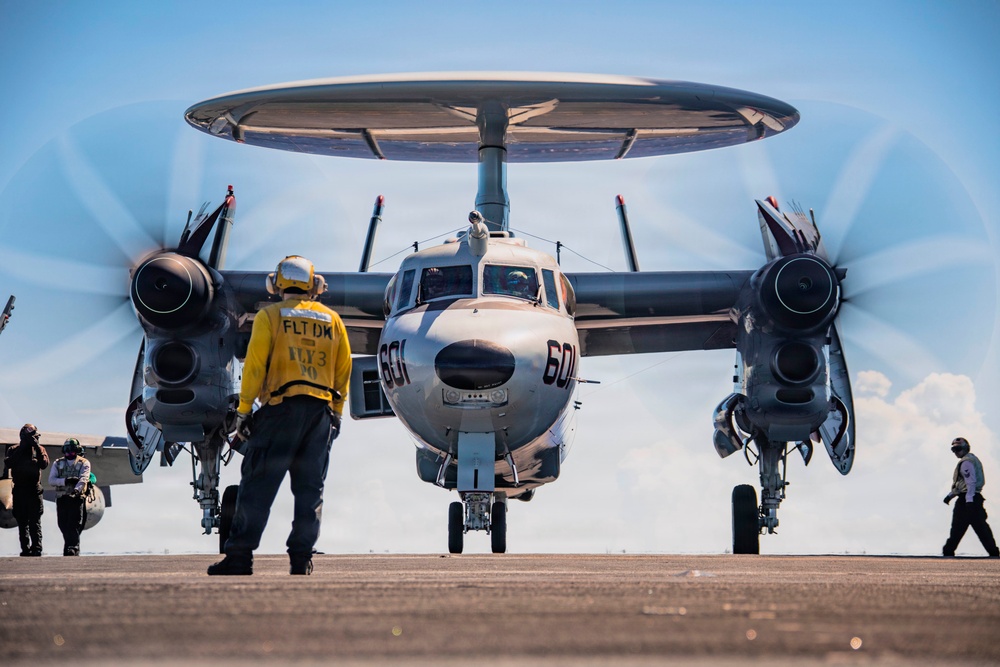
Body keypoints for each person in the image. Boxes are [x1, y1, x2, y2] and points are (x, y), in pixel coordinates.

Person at [209, 255, 352, 576]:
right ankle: (301, 560)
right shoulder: (333, 320)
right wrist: (336, 415)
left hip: (279, 412)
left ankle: (240, 558)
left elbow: (255, 367)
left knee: (258, 486)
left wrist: (244, 412)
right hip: (320, 415)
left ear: (276, 284)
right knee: (310, 491)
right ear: (315, 285)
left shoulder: (269, 317)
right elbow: (344, 371)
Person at [942, 437, 999, 558]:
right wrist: (950, 496)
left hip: (967, 500)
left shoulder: (966, 462)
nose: (956, 452)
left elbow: (970, 483)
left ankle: (948, 552)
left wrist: (969, 501)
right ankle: (994, 553)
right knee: (981, 528)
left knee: (958, 528)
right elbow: (964, 483)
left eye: (958, 449)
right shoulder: (971, 460)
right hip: (973, 498)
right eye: (953, 449)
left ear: (965, 448)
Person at [3, 424, 49, 556]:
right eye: (32, 438)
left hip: (34, 490)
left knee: (35, 521)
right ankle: (25, 548)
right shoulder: (13, 449)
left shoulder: (39, 449)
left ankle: (37, 548)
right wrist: (22, 447)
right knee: (22, 522)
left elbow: (44, 464)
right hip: (19, 489)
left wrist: (36, 447)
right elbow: (9, 463)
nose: (35, 440)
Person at [48, 437, 91, 556]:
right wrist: (65, 481)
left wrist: (77, 490)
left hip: (76, 498)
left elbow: (84, 478)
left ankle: (73, 547)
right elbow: (51, 480)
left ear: (77, 450)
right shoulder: (58, 463)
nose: (69, 453)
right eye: (67, 450)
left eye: (72, 450)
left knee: (74, 523)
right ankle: (69, 547)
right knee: (62, 523)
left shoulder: (84, 463)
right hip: (62, 497)